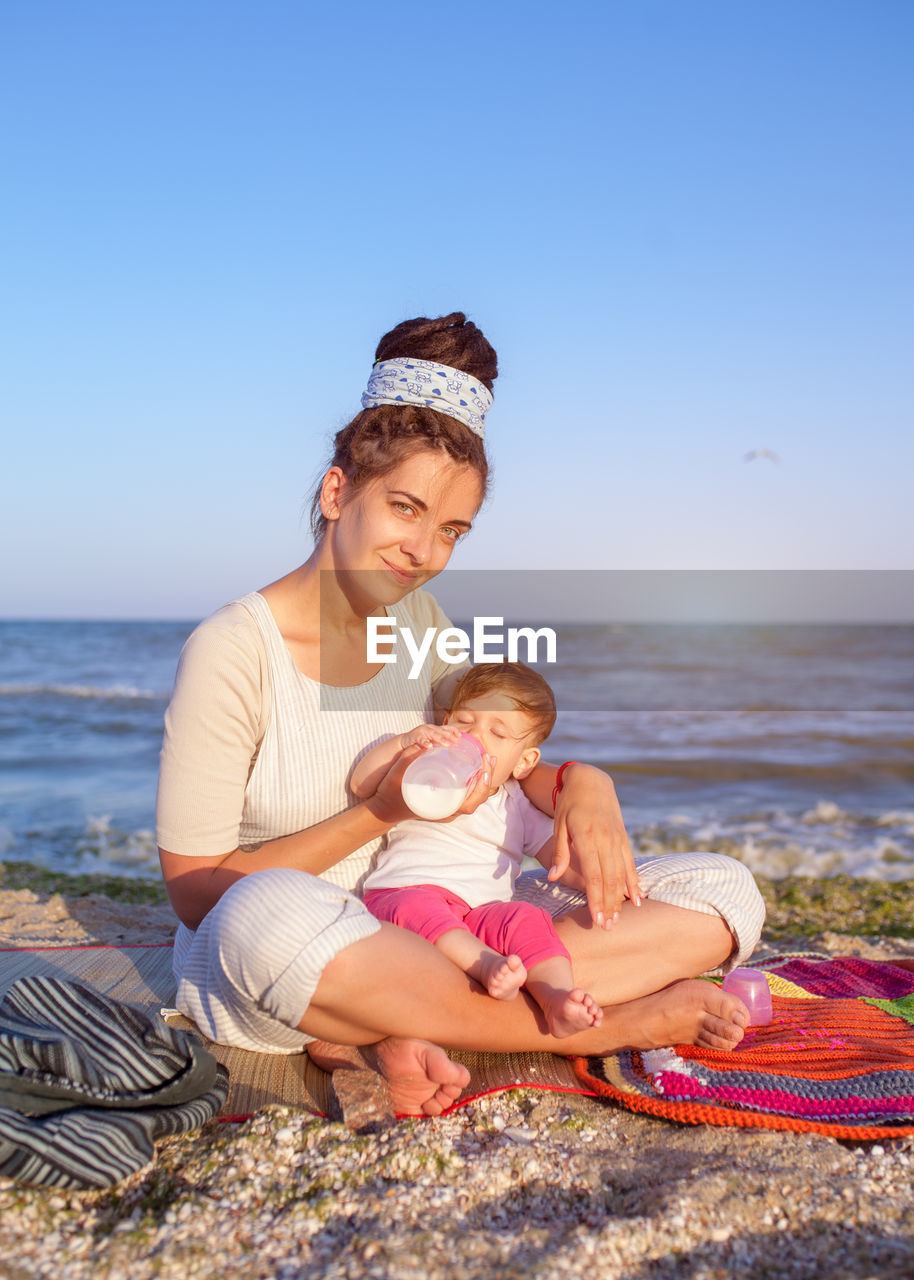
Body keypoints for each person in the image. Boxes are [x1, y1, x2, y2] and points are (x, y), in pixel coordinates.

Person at [156, 311, 765, 1117]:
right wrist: (379, 812)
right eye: (405, 509)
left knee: (725, 892)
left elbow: (495, 749)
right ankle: (576, 1027)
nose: (424, 551)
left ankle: (404, 1024)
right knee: (261, 920)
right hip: (311, 940)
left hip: (457, 933)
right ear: (338, 491)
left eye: (451, 529)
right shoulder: (233, 649)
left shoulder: (421, 624)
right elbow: (197, 894)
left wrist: (581, 783)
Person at [356, 663, 603, 1037]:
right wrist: (406, 744)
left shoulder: (516, 802)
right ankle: (486, 966)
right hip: (404, 894)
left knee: (526, 918)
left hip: (481, 915)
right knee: (418, 910)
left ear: (524, 761)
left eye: (497, 732)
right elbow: (362, 783)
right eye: (464, 720)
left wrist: (601, 884)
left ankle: (557, 998)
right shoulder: (426, 775)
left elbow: (559, 859)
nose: (474, 737)